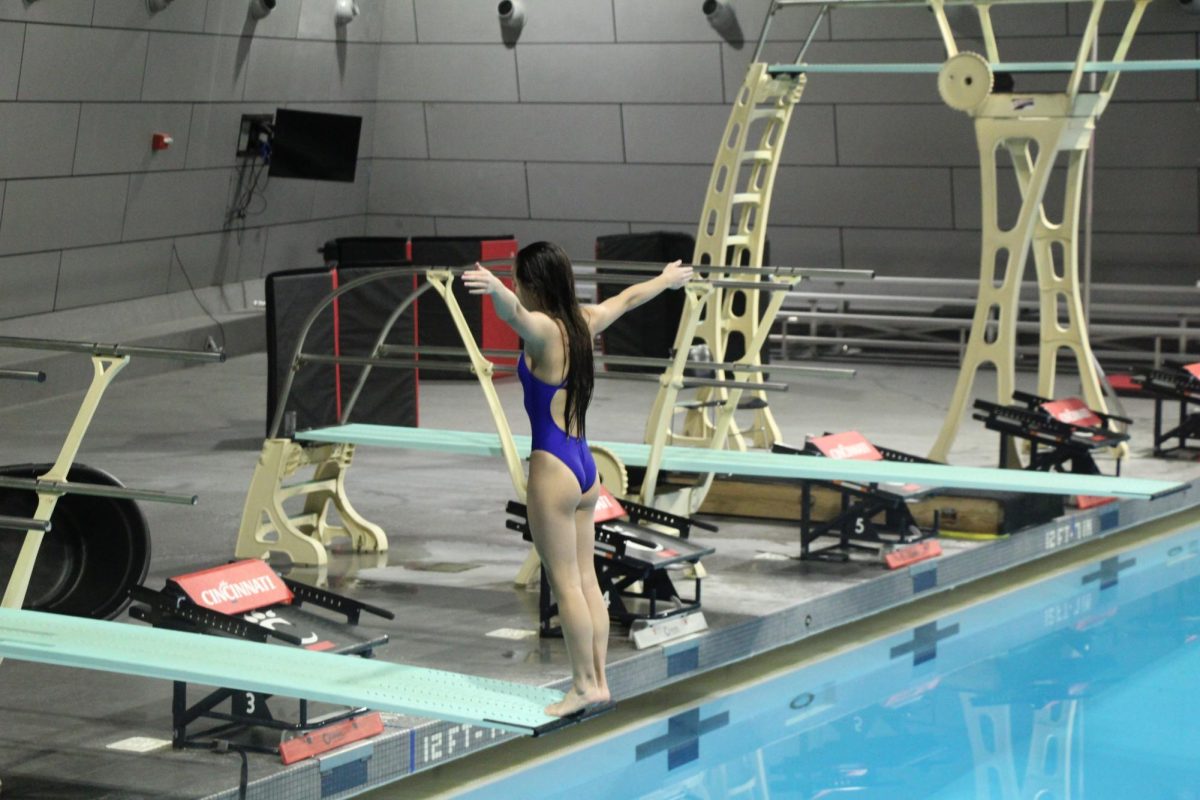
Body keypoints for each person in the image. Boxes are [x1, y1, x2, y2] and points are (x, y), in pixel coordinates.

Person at [463, 242, 693, 717]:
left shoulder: (545, 329)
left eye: (518, 279)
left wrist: (495, 291)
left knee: (565, 583)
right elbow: (627, 299)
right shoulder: (584, 321)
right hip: (586, 467)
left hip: (552, 469)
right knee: (588, 581)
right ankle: (600, 680)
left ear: (532, 283)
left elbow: (516, 320)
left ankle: (583, 686)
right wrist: (666, 281)